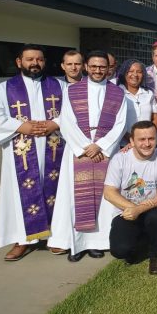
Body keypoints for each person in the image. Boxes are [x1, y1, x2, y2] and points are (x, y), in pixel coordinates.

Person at [0, 44, 67, 260]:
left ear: (44, 62)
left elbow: (73, 114)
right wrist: (22, 127)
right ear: (19, 62)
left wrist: (54, 123)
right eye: (29, 59)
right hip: (19, 153)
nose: (35, 63)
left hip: (54, 149)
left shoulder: (59, 86)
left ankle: (55, 236)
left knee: (56, 190)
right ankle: (22, 240)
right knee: (18, 194)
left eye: (39, 59)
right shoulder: (4, 89)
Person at [49, 50, 127, 262]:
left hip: (103, 152)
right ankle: (77, 244)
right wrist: (85, 146)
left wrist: (100, 146)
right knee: (76, 197)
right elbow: (66, 121)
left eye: (102, 67)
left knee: (103, 199)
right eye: (93, 66)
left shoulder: (118, 93)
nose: (98, 70)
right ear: (86, 67)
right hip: (78, 152)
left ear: (108, 68)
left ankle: (97, 243)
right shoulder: (72, 90)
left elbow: (121, 124)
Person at [103, 121, 157, 275]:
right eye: (141, 139)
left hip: (153, 208)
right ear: (132, 141)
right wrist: (132, 209)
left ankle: (156, 254)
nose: (147, 144)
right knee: (119, 250)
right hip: (126, 210)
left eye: (151, 139)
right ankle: (142, 242)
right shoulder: (119, 159)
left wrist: (138, 209)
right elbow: (109, 192)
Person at [118, 59, 157, 146]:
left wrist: (147, 136)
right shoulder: (117, 92)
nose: (135, 74)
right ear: (124, 73)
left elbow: (156, 119)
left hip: (146, 143)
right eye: (130, 71)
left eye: (139, 72)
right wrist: (131, 139)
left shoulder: (149, 94)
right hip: (124, 144)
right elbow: (114, 120)